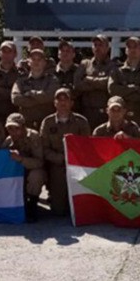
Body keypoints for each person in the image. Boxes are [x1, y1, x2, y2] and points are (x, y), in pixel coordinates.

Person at [39, 88, 91, 216]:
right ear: (54, 103)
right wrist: (60, 158)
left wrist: (74, 159)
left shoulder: (81, 121)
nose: (62, 103)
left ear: (71, 103)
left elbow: (88, 146)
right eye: (59, 99)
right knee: (58, 211)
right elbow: (44, 148)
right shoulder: (48, 122)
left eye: (66, 99)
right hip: (57, 164)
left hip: (77, 164)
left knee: (80, 208)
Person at [3, 112, 45, 222]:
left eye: (16, 128)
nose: (13, 132)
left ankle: (33, 203)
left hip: (31, 171)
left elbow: (40, 162)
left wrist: (21, 159)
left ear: (23, 127)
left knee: (37, 175)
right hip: (16, 174)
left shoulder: (33, 137)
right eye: (10, 129)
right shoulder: (8, 142)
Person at [74, 34, 119, 130]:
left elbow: (109, 84)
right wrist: (99, 83)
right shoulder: (85, 64)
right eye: (95, 45)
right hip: (87, 111)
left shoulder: (113, 65)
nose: (97, 48)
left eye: (100, 45)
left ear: (107, 48)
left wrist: (89, 79)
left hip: (105, 111)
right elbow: (77, 84)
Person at [109, 36, 140, 134]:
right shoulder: (117, 70)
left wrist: (124, 91)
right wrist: (134, 88)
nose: (132, 50)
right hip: (120, 117)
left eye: (135, 47)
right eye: (129, 47)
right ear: (125, 50)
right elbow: (113, 90)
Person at [12, 48, 61, 130]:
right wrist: (40, 99)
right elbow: (15, 98)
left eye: (39, 59)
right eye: (33, 59)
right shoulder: (20, 80)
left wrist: (31, 94)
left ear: (44, 63)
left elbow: (51, 96)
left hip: (47, 124)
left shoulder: (52, 79)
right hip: (26, 124)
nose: (36, 62)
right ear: (28, 62)